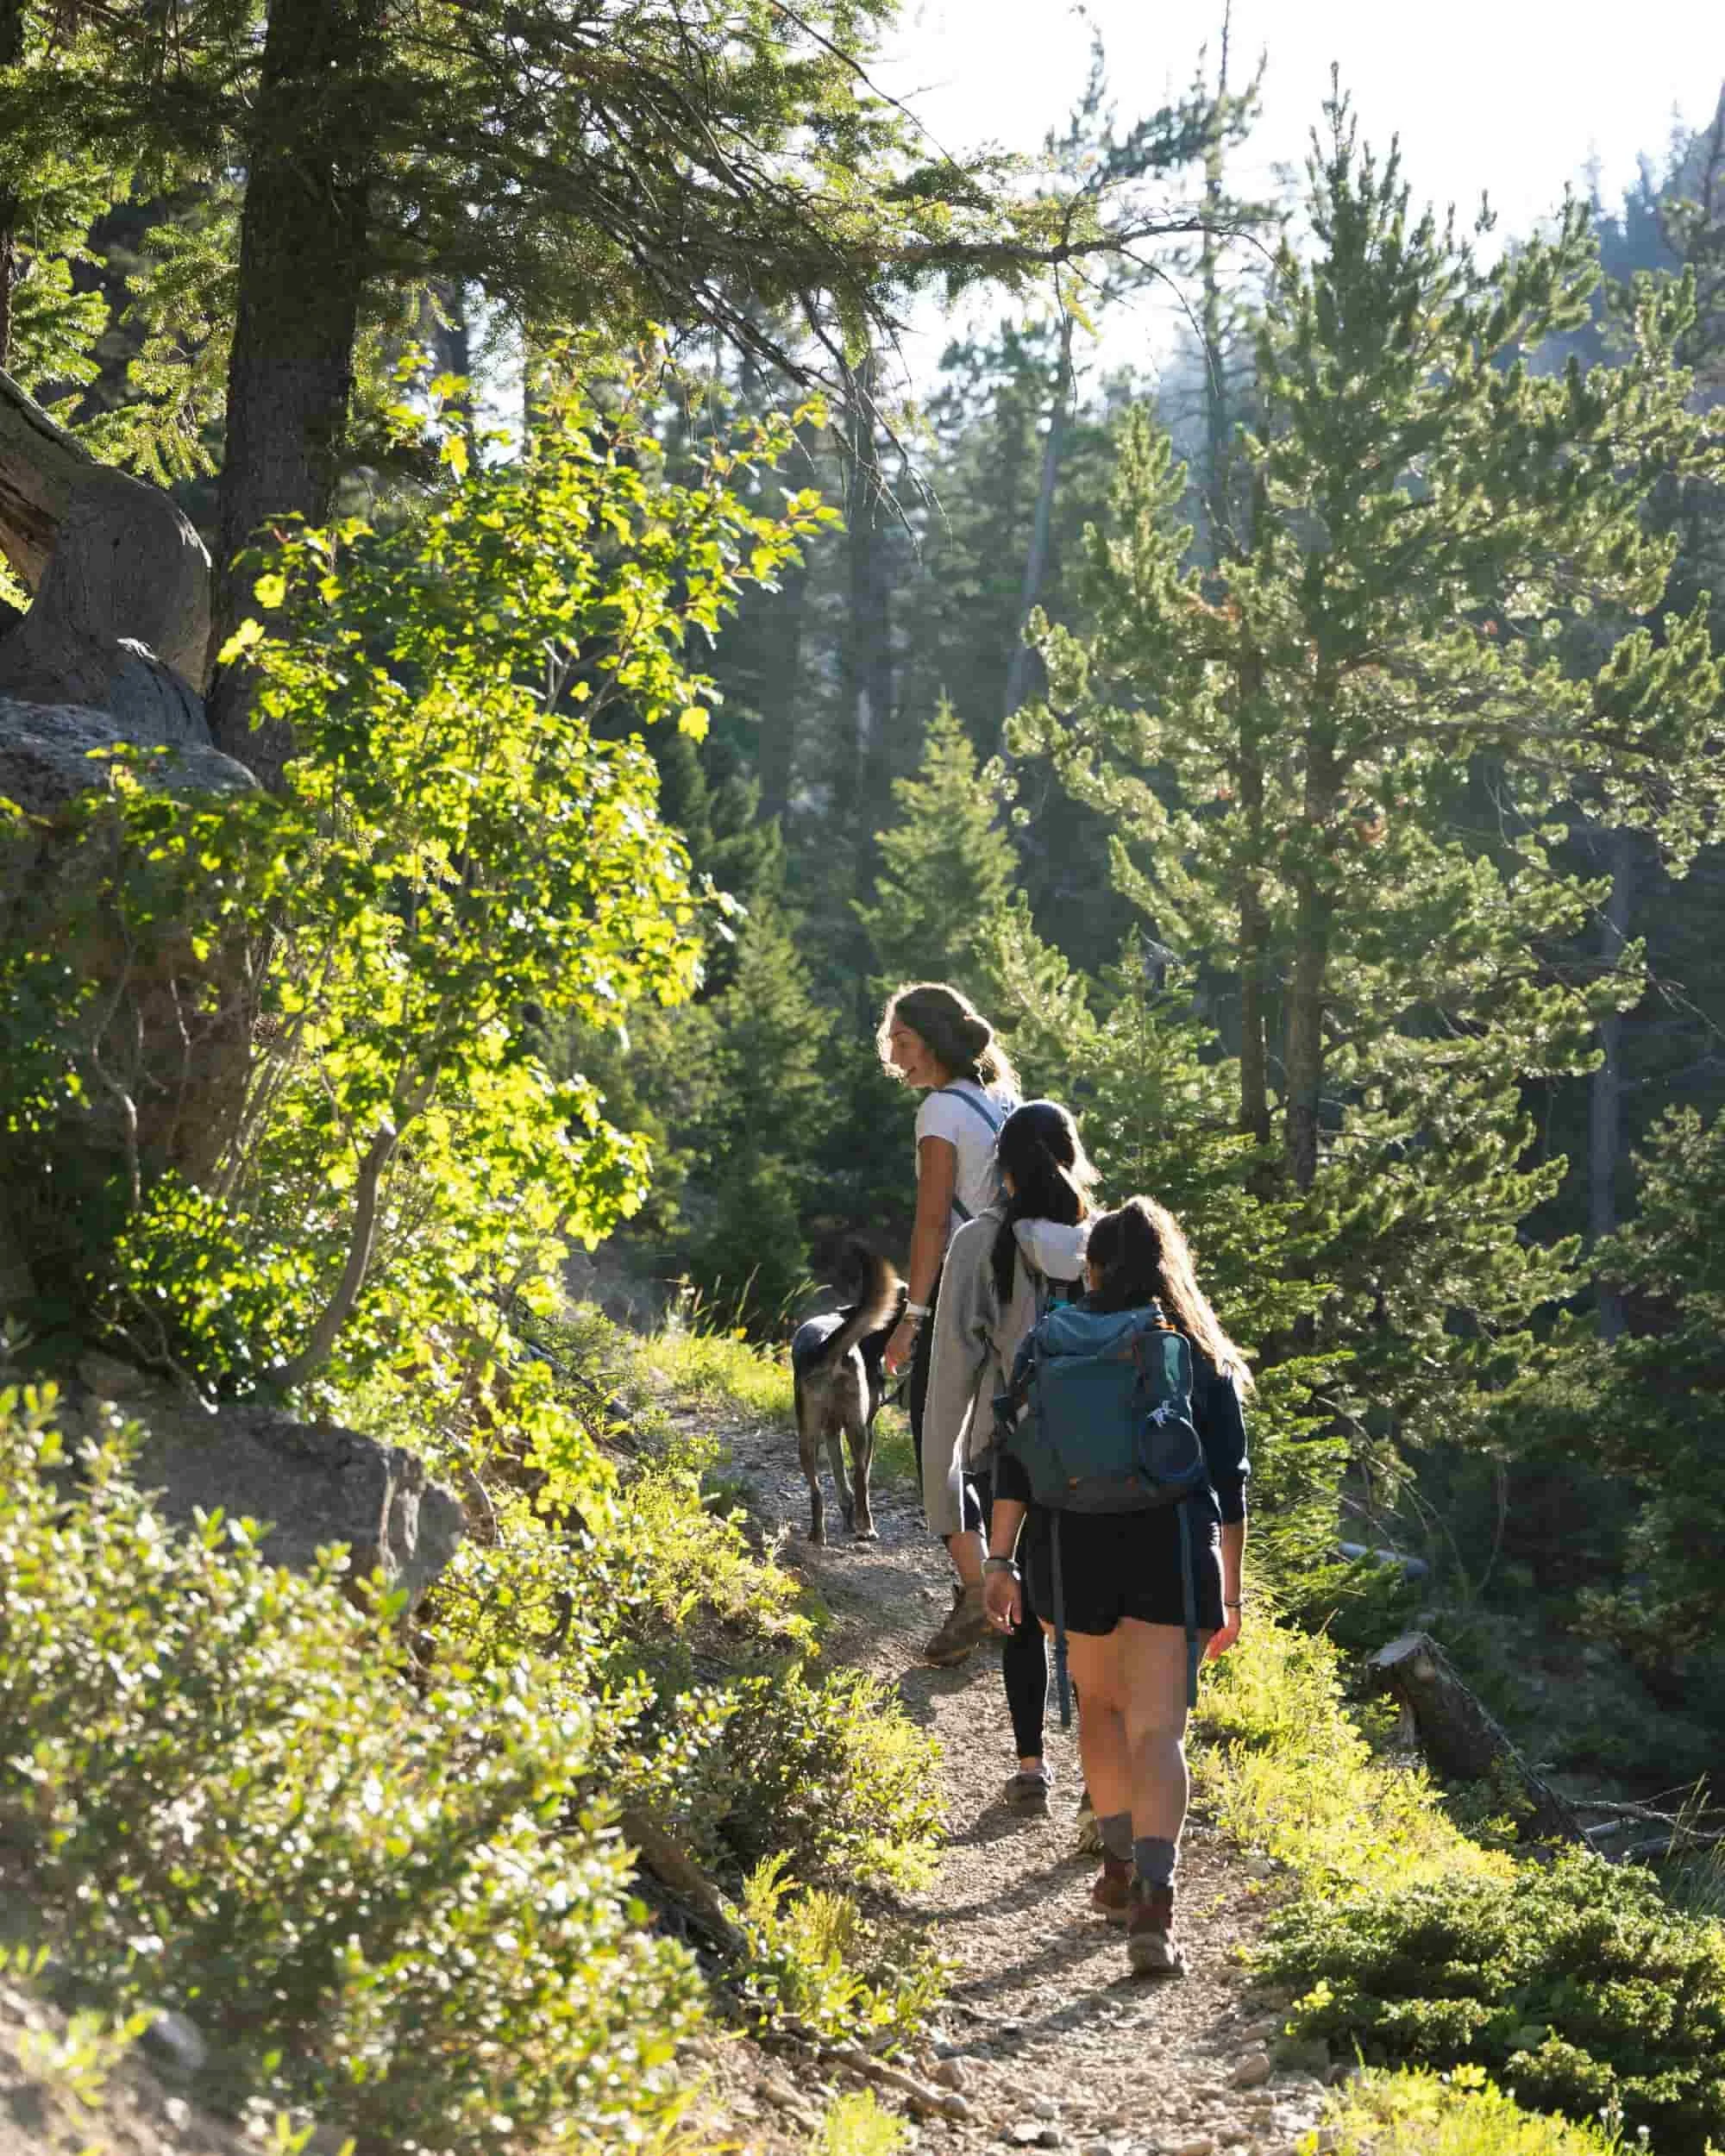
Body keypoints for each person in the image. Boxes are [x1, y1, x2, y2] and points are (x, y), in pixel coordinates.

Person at [981, 1196, 1250, 1977]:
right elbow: (1229, 1486)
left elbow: (1014, 1460)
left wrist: (1000, 1562)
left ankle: (1117, 1867)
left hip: (1073, 1549)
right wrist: (1230, 1597)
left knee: (1098, 1708)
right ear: (1170, 1267)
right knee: (1158, 1730)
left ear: (1091, 1266)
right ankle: (1156, 1909)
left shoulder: (1048, 1341)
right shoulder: (1192, 1349)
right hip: (1167, 1548)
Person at [921, 1100, 1098, 1810]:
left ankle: (1032, 1770)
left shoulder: (981, 1244)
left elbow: (953, 1375)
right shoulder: (1101, 1242)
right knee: (1090, 1611)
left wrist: (945, 1480)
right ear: (1073, 1155)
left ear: (1001, 1167)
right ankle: (1100, 1780)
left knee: (1016, 1601)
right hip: (1094, 1456)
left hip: (1010, 1456)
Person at [876, 981, 1019, 1664]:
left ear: (930, 1041)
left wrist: (913, 1317)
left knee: (940, 1443)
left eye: (901, 1038)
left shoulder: (938, 1112)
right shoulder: (1000, 1101)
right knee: (995, 1444)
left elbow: (933, 1221)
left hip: (961, 1293)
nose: (892, 1051)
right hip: (1015, 1293)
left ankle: (973, 1593)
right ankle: (1007, 1584)